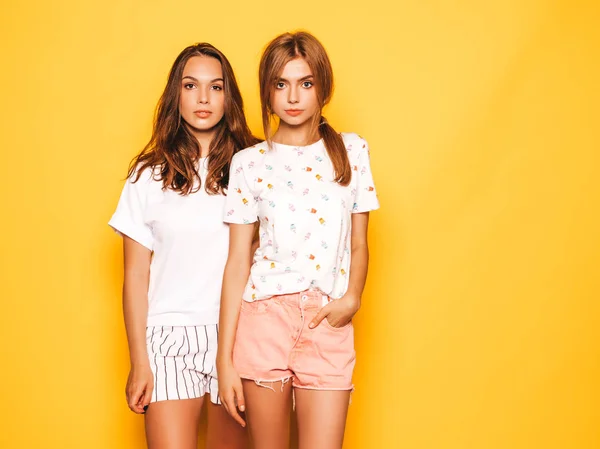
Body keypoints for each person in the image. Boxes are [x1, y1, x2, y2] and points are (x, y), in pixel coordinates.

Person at [217, 31, 380, 449]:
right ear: (267, 91)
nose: (293, 96)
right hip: (264, 318)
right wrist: (224, 358)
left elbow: (359, 243)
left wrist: (352, 298)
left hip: (327, 318)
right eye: (280, 84)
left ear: (322, 87)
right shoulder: (249, 163)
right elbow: (238, 261)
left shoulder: (351, 151)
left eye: (305, 83)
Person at [109, 42, 257, 449]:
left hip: (240, 335)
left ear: (230, 97)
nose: (204, 98)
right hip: (168, 337)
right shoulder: (147, 174)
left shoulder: (255, 167)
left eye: (216, 86)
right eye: (191, 85)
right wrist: (140, 360)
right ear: (177, 93)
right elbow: (135, 273)